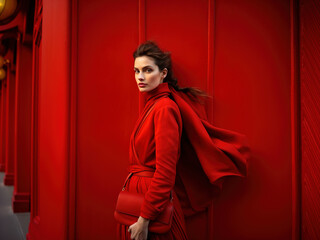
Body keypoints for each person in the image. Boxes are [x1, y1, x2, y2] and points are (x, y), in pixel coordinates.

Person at [116, 41, 250, 240]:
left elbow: (165, 171)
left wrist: (145, 218)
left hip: (150, 208)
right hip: (135, 200)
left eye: (147, 70)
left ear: (163, 74)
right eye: (136, 71)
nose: (140, 77)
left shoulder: (164, 108)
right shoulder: (152, 106)